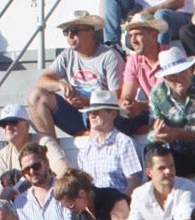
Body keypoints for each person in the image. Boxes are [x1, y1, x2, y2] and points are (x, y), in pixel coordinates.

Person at [28, 10, 124, 139]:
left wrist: (88, 101)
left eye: (74, 31)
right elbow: (42, 81)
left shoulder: (109, 56)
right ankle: (50, 148)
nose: (69, 36)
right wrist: (60, 85)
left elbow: (117, 98)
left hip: (103, 117)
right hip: (76, 116)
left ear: (90, 32)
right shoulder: (67, 55)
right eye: (66, 32)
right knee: (36, 96)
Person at [147, 48, 195, 197]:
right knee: (152, 148)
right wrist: (159, 135)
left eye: (182, 72)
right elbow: (151, 131)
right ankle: (161, 197)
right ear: (165, 78)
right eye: (172, 76)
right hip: (177, 153)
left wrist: (176, 133)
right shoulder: (158, 93)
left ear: (190, 70)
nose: (178, 79)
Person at [0, 104, 69, 196]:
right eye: (3, 125)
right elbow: (0, 195)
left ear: (27, 125)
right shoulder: (2, 156)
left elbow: (63, 171)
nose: (8, 127)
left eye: (13, 122)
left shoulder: (43, 142)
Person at [76, 91, 142, 194]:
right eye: (90, 112)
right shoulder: (86, 150)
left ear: (113, 114)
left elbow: (134, 184)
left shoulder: (125, 144)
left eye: (97, 111)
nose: (92, 115)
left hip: (119, 206)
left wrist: (115, 204)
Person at [14, 142, 75, 220]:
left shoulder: (66, 191)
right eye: (27, 169)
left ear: (46, 163)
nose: (32, 172)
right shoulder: (20, 202)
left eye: (36, 166)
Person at [52, 168, 130, 220]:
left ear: (81, 193)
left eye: (71, 205)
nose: (70, 209)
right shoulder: (78, 215)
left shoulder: (112, 199)